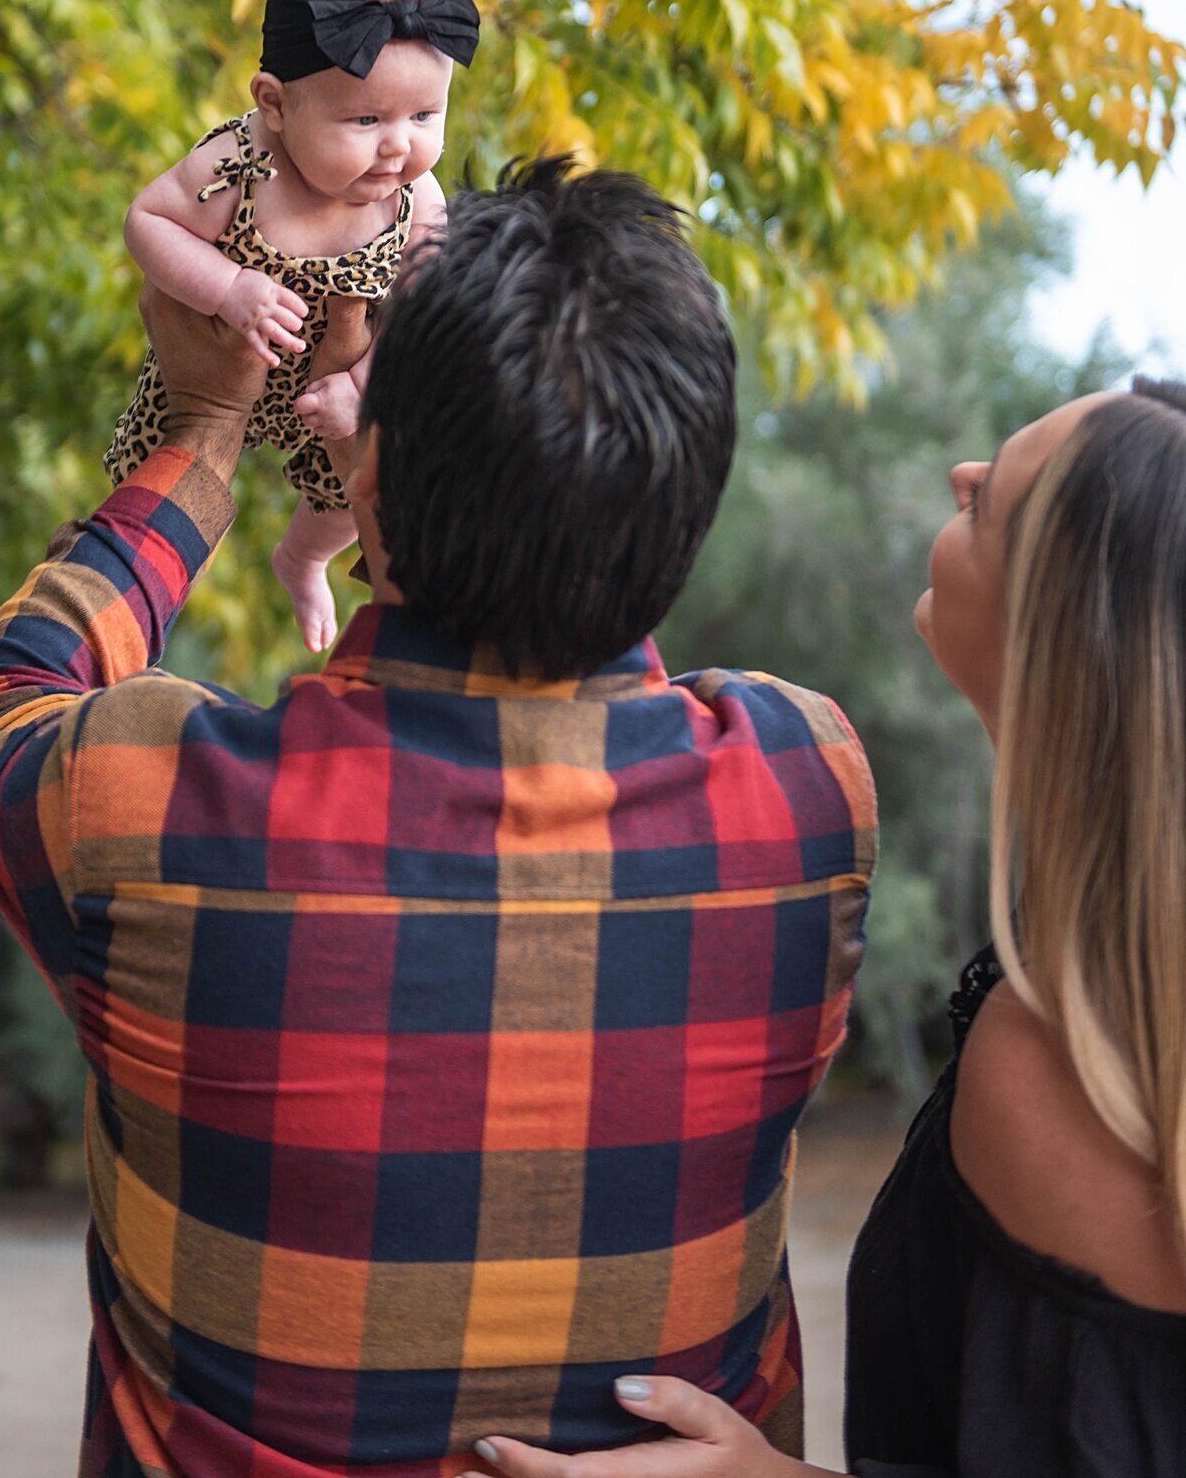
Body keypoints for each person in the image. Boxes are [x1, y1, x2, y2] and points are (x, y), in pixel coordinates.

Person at [0, 160, 877, 1478]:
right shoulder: (808, 792)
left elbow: (10, 697)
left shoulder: (143, 812)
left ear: (363, 469)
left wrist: (208, 432)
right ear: (691, 491)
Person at [476, 378, 1186, 1478]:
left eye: (989, 497)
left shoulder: (1061, 1061)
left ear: (1059, 625)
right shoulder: (1107, 995)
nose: (959, 476)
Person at [106, 0, 480, 651]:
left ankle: (305, 557)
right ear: (275, 105)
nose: (399, 145)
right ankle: (132, 595)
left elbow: (427, 315)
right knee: (157, 480)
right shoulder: (239, 168)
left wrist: (365, 382)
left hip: (338, 378)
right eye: (365, 119)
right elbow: (146, 221)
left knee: (369, 479)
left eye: (425, 116)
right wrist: (227, 287)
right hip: (216, 359)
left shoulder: (416, 199)